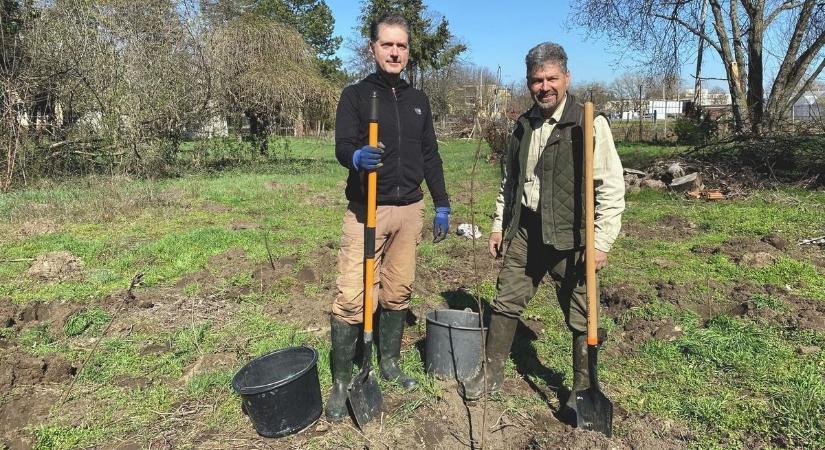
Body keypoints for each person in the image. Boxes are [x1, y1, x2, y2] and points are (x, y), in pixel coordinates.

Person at [459, 42, 625, 420]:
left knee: (583, 314)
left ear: (566, 78)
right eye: (537, 80)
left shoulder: (588, 122)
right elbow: (510, 182)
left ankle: (583, 388)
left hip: (572, 237)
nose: (544, 86)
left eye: (551, 78)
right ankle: (492, 371)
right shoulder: (523, 126)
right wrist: (500, 225)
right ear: (529, 83)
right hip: (527, 230)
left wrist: (601, 242)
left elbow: (611, 187)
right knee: (506, 300)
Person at [326, 11, 451, 422]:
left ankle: (390, 364)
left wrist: (442, 202)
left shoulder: (418, 101)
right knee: (352, 295)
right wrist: (357, 158)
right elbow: (343, 145)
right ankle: (343, 379)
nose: (394, 52)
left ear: (407, 51)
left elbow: (430, 154)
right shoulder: (356, 96)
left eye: (401, 46)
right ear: (373, 48)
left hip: (410, 209)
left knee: (397, 291)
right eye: (387, 45)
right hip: (368, 209)